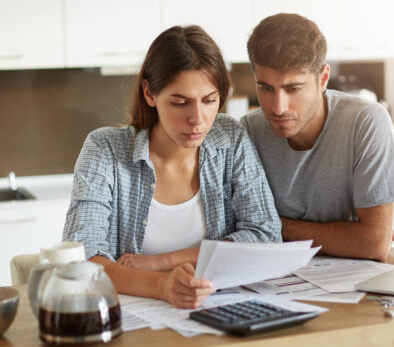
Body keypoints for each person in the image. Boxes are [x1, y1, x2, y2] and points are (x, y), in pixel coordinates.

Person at [63, 25, 282, 309]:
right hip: (131, 318)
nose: (198, 119)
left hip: (214, 310)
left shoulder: (230, 137)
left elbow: (265, 235)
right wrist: (163, 286)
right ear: (149, 94)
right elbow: (81, 256)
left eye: (209, 101)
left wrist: (164, 261)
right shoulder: (105, 149)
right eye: (180, 103)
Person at [241, 13, 394, 262]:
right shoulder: (249, 130)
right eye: (265, 88)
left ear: (323, 79)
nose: (277, 107)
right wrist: (345, 236)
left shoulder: (366, 121)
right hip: (276, 279)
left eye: (293, 88)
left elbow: (373, 244)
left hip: (353, 283)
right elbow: (234, 228)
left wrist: (271, 225)